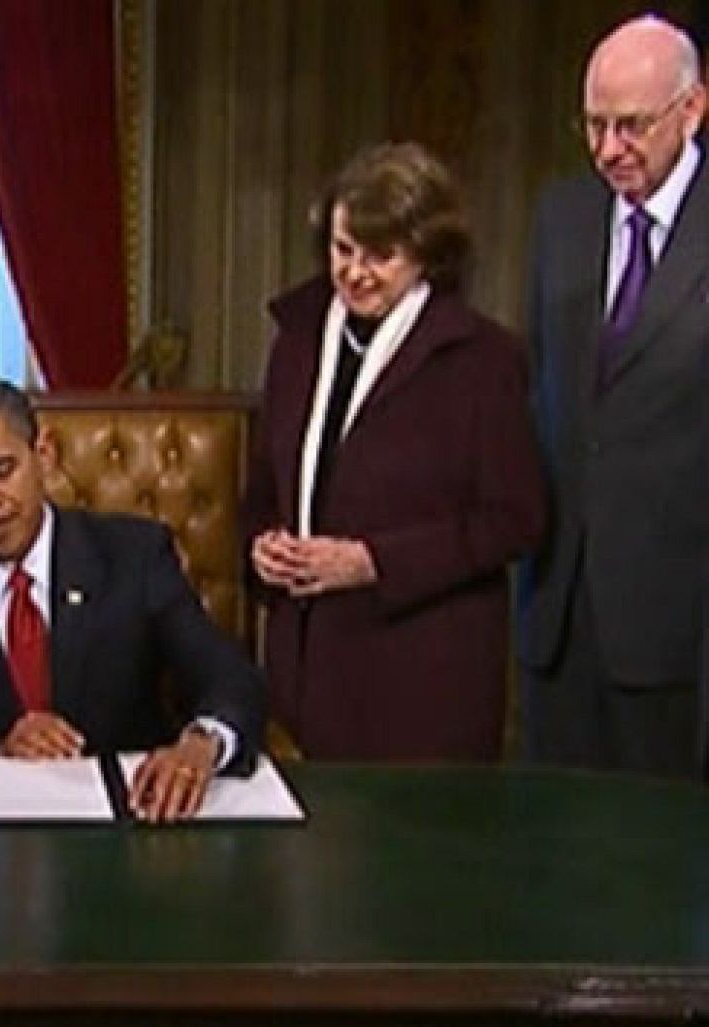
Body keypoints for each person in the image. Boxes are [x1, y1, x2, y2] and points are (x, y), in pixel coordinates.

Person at [242, 142, 545, 762]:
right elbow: (266, 486)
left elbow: (515, 520)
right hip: (306, 675)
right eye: (342, 249)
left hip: (424, 685)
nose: (355, 273)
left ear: (427, 259)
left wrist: (373, 562)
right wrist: (264, 545)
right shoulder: (297, 341)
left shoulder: (482, 361)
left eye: (380, 256)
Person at [0, 378, 263, 819]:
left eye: (1, 470)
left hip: (132, 831)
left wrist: (202, 742)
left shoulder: (135, 558)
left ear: (43, 454)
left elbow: (229, 676)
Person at [520, 16, 709, 777]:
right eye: (593, 125)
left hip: (676, 628)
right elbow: (545, 398)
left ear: (692, 111)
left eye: (630, 126)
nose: (607, 150)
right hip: (559, 619)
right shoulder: (561, 219)